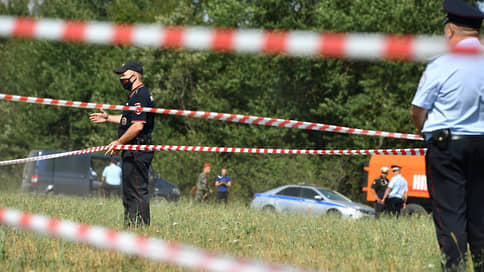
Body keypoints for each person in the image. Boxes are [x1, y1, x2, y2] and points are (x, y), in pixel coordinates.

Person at [410, 0, 484, 269]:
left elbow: (418, 110)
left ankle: (453, 267)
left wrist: (423, 132)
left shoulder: (442, 63)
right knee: (480, 216)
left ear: (451, 30)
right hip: (482, 146)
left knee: (451, 217)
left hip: (447, 148)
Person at [89, 61, 155, 227]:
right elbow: (128, 120)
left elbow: (138, 125)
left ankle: (140, 227)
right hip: (132, 149)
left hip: (137, 150)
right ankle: (131, 225)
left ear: (133, 75)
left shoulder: (140, 95)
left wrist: (119, 142)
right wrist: (108, 118)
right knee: (129, 191)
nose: (122, 79)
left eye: (123, 75)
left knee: (137, 191)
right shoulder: (134, 95)